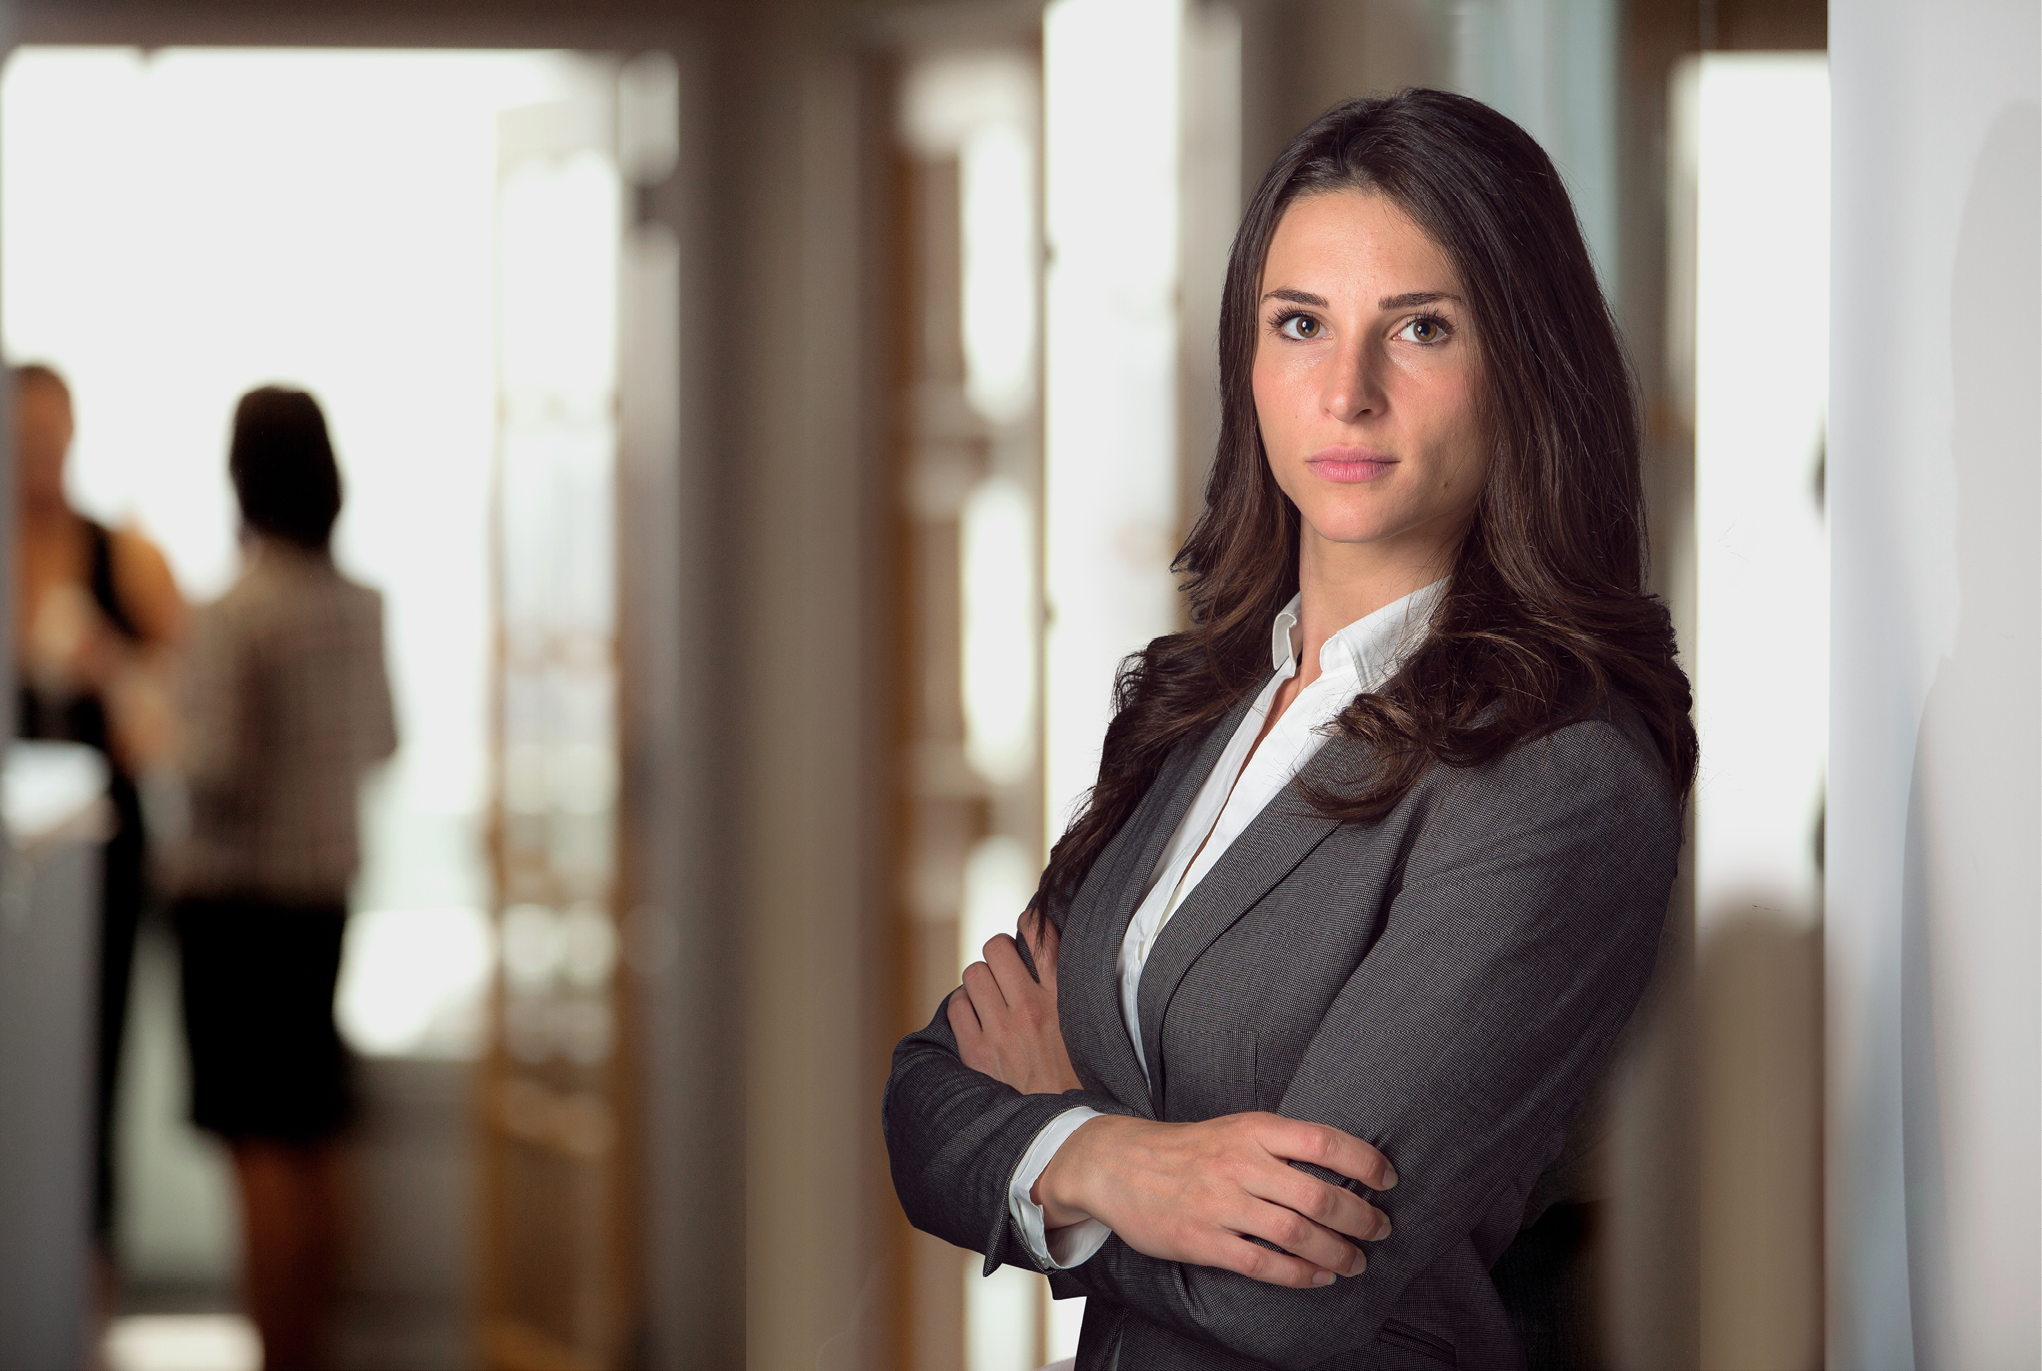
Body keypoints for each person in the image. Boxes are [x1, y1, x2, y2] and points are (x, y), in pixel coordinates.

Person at [883, 91, 1695, 1370]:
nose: (1347, 393)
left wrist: (1052, 1140)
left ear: (1523, 367)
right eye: (1299, 324)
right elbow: (924, 1096)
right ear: (1245, 363)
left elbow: (1298, 1289)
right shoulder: (1187, 708)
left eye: (1420, 328)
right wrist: (1103, 1157)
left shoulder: (1555, 780)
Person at [172, 386, 396, 1371]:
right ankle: (316, 1348)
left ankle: (278, 1353)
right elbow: (385, 741)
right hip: (321, 903)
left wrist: (148, 717)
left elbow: (212, 771)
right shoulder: (360, 606)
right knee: (314, 1135)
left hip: (236, 908)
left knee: (259, 1147)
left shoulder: (234, 613)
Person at [12, 362, 186, 1260]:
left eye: (52, 433)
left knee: (93, 1069)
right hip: (16, 853)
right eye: (24, 435)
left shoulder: (123, 552)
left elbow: (184, 709)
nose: (40, 453)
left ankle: (88, 1287)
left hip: (101, 858)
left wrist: (109, 668)